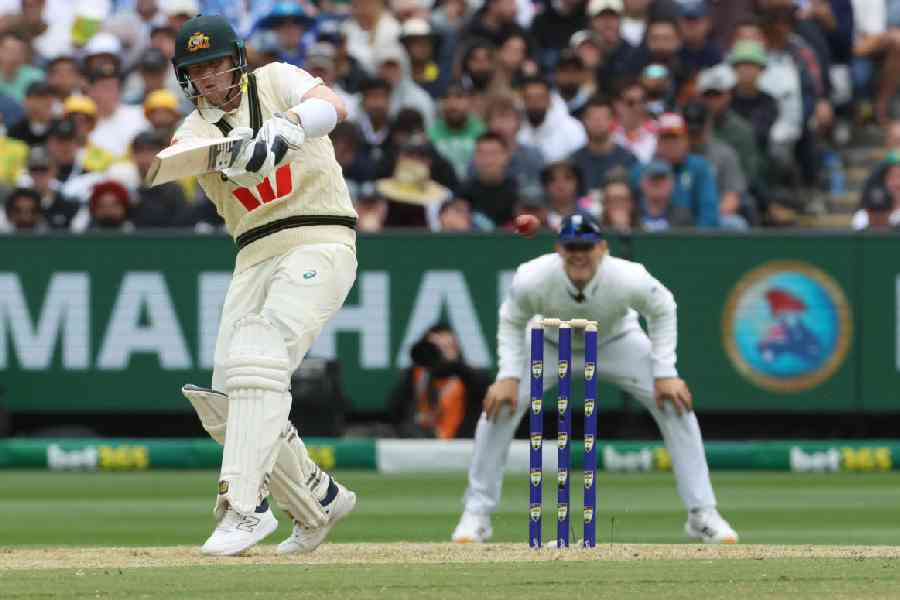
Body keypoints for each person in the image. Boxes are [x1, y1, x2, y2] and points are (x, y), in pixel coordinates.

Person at [168, 14, 358, 557]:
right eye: (195, 70)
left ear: (237, 59)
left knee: (259, 357)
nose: (207, 78)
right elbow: (177, 163)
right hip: (252, 255)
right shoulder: (193, 133)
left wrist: (289, 125)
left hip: (320, 236)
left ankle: (243, 508)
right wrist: (242, 150)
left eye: (214, 64)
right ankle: (317, 500)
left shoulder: (276, 80)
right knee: (227, 401)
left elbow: (335, 106)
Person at [451, 212, 738, 544]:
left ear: (602, 248)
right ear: (559, 249)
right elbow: (512, 319)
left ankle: (702, 513)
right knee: (499, 407)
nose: (578, 254)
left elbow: (663, 308)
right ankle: (477, 515)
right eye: (571, 246)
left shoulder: (628, 276)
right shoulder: (533, 276)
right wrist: (509, 376)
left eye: (585, 247)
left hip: (614, 340)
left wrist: (665, 373)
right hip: (549, 341)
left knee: (675, 404)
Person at [387, 323, 490, 439]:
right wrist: (423, 360)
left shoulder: (468, 376)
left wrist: (454, 363)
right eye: (437, 347)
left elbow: (484, 391)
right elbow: (395, 411)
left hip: (460, 445)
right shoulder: (417, 375)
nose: (442, 352)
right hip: (422, 444)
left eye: (449, 346)